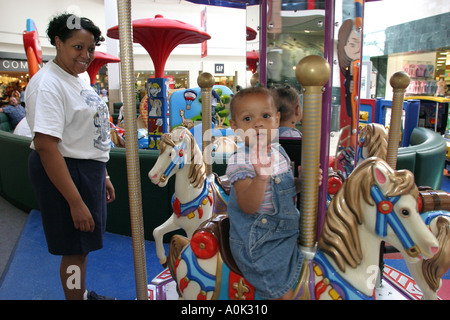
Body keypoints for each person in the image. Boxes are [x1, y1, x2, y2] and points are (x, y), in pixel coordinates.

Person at [25, 13, 115, 300]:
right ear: (58, 42)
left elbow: (87, 129)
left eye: (90, 49)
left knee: (83, 245)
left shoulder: (80, 77)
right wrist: (75, 202)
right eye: (78, 47)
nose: (86, 56)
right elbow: (46, 147)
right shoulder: (48, 84)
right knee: (74, 249)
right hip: (64, 170)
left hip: (86, 170)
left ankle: (82, 294)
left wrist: (104, 174)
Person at [226, 87, 303, 300]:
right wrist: (260, 178)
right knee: (283, 294)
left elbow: (285, 191)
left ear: (277, 120)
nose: (258, 123)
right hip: (260, 241)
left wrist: (302, 182)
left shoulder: (279, 152)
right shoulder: (240, 161)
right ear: (235, 127)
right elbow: (248, 206)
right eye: (248, 118)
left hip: (288, 230)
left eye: (266, 116)